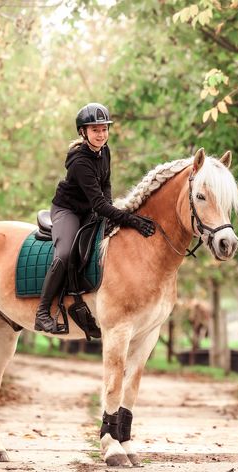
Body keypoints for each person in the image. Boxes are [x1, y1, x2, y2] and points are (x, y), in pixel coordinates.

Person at [34, 102, 156, 334]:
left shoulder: (105, 151)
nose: (101, 135)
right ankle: (41, 313)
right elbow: (99, 204)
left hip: (90, 209)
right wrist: (132, 220)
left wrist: (112, 208)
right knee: (66, 252)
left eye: (104, 129)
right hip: (67, 211)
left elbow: (105, 186)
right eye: (95, 130)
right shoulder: (80, 162)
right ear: (83, 132)